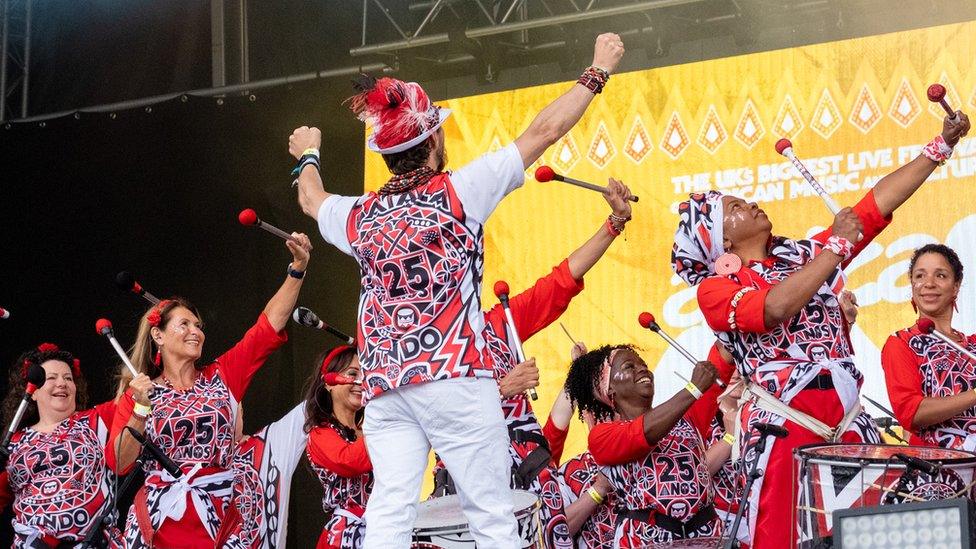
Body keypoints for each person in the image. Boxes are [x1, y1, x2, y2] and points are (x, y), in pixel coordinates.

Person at [289, 32, 626, 547]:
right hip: (453, 379)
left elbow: (311, 200)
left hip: (386, 390)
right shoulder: (460, 190)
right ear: (432, 143)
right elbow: (546, 129)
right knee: (491, 516)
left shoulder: (358, 216)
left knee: (389, 514)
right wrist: (597, 70)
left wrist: (308, 152)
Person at [672, 111, 970, 548]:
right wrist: (835, 248)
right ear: (723, 243)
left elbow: (875, 205)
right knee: (782, 538)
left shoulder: (803, 255)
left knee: (871, 536)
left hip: (847, 421)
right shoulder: (717, 288)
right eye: (735, 208)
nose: (751, 204)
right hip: (783, 426)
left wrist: (940, 147)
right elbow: (773, 308)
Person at [429, 178, 634, 547]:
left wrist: (614, 224)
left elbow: (561, 281)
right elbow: (428, 412)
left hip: (529, 467)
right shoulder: (423, 342)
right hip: (469, 474)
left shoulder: (499, 322)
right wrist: (502, 388)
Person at [106, 234, 311, 549]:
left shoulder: (223, 375)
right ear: (158, 335)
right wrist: (140, 410)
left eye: (198, 326)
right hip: (161, 524)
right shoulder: (139, 393)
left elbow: (268, 326)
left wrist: (297, 269)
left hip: (217, 520)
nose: (195, 331)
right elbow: (119, 463)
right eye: (184, 324)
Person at [563, 345, 732, 546]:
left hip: (705, 537)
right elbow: (643, 434)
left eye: (643, 365)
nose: (642, 369)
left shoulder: (688, 417)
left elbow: (724, 356)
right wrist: (693, 388)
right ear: (609, 388)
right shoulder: (602, 436)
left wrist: (729, 329)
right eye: (629, 366)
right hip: (645, 540)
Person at [0, 343, 122, 548]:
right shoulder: (13, 443)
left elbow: (134, 396)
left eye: (68, 378)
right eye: (51, 378)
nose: (62, 383)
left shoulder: (98, 419)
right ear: (33, 392)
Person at [882, 244, 976, 450]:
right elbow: (911, 413)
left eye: (940, 276)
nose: (929, 284)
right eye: (920, 276)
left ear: (956, 286)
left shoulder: (973, 344)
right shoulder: (901, 343)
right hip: (938, 473)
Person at [303, 345, 372, 549]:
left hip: (384, 528)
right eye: (352, 374)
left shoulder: (369, 430)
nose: (361, 382)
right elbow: (350, 462)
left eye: (365, 375)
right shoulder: (319, 433)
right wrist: (380, 417)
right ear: (329, 383)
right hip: (345, 536)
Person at [215, 401, 308, 548]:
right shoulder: (181, 467)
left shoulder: (272, 444)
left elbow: (315, 405)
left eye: (231, 404)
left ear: (241, 412)